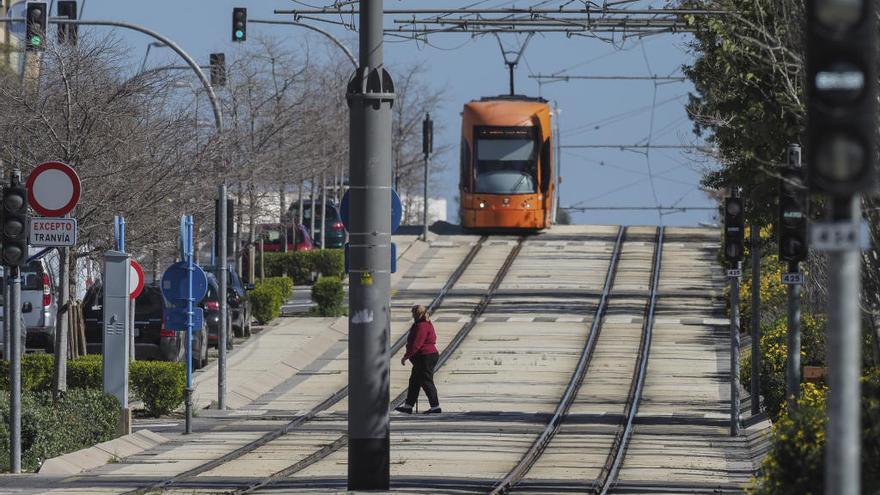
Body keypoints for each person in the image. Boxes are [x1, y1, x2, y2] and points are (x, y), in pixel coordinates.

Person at [395, 304, 441, 414]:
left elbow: (416, 344)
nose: (412, 315)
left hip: (425, 357)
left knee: (426, 381)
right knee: (414, 381)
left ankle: (435, 407)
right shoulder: (424, 324)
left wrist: (406, 356)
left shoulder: (422, 326)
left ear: (418, 314)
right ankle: (408, 406)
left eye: (414, 313)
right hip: (424, 356)